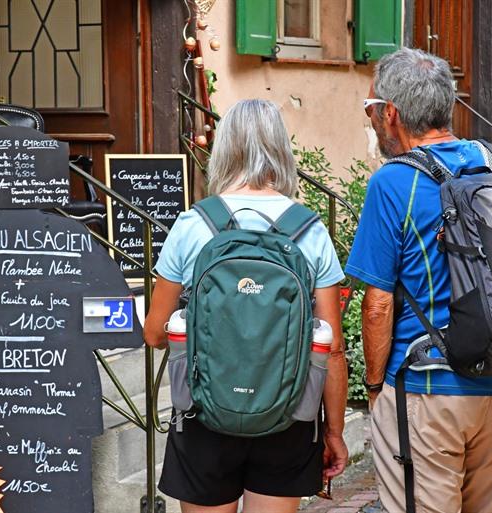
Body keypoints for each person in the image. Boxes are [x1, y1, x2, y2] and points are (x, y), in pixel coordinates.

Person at [346, 48, 492, 513]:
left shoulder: (393, 183)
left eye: (371, 109)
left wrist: (375, 388)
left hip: (428, 393)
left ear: (390, 114)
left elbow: (377, 305)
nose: (371, 120)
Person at [144, 99, 349, 513]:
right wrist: (334, 431)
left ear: (223, 150)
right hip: (288, 416)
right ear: (281, 151)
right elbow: (333, 346)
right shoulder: (309, 229)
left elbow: (154, 333)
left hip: (204, 413)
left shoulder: (193, 224)